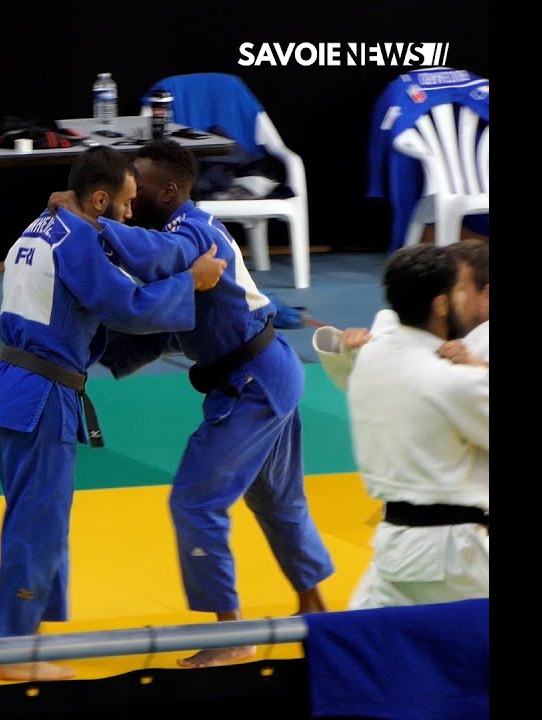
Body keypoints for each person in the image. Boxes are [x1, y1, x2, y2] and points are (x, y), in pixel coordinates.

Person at [48, 139, 335, 668]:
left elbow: (158, 260)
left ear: (170, 190)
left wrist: (93, 223)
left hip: (253, 381)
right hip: (263, 375)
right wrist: (85, 356)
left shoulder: (191, 232)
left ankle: (234, 635)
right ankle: (318, 617)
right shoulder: (178, 233)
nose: (129, 194)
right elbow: (162, 327)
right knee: (278, 502)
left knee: (195, 502)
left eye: (139, 184)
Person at [0, 146, 227, 682]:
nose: (132, 216)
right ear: (102, 199)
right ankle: (14, 651)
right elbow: (126, 306)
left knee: (36, 519)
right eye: (128, 204)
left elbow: (88, 306)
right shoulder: (79, 236)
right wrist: (193, 281)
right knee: (36, 524)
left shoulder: (42, 226)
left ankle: (24, 640)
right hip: (41, 395)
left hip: (12, 387)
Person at [340, 244, 489, 609]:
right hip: (458, 559)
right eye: (461, 291)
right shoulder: (451, 381)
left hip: (396, 546)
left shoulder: (370, 356)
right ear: (440, 304)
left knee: (363, 649)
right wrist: (479, 371)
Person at [313, 240, 488, 389]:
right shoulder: (399, 325)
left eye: (460, 290)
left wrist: (477, 367)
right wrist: (353, 353)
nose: (449, 299)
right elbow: (368, 387)